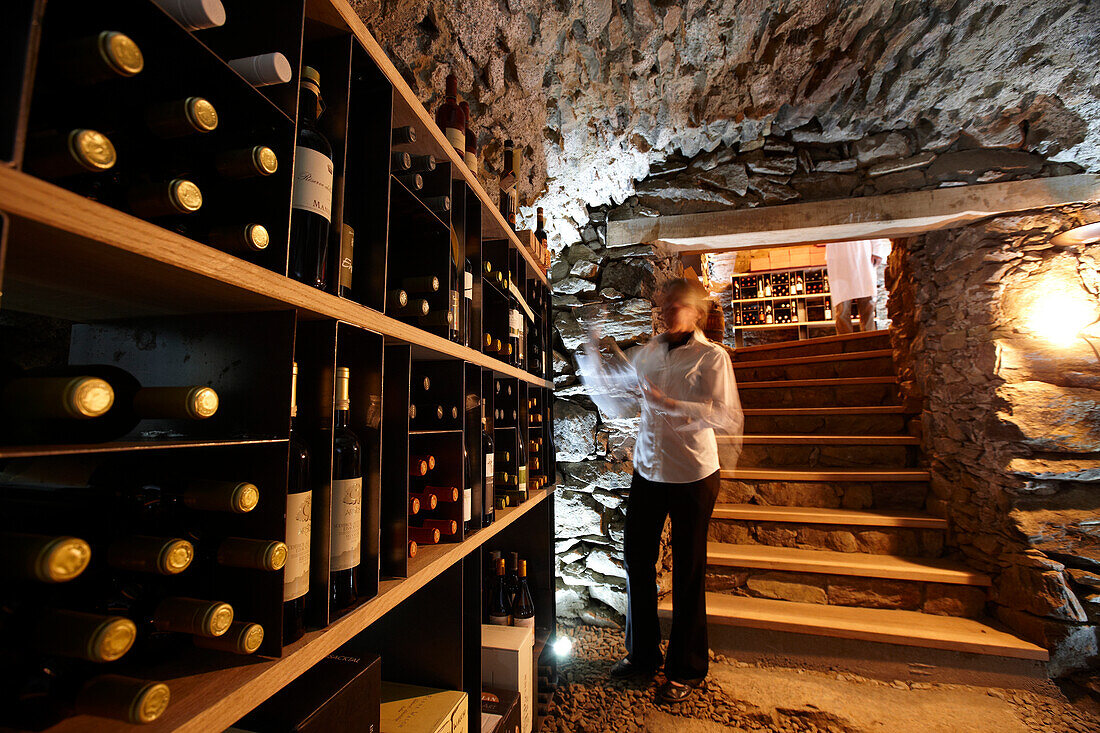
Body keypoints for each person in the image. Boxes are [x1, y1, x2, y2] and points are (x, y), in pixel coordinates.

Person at [578, 279, 743, 703]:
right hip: (649, 470)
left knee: (688, 571)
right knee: (637, 559)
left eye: (675, 304)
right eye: (664, 304)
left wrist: (671, 404)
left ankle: (687, 669)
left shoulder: (713, 358)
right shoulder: (650, 352)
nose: (667, 310)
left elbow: (725, 416)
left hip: (693, 473)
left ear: (696, 313)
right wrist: (594, 351)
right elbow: (616, 397)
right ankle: (643, 656)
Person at [825, 239, 890, 334]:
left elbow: (872, 228)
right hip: (839, 258)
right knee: (842, 310)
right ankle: (845, 343)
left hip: (862, 254)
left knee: (867, 306)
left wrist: (877, 251)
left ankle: (869, 341)